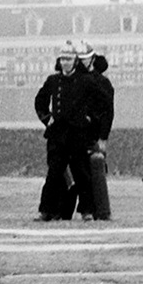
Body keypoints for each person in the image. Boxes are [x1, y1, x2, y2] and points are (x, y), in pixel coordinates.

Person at [34, 40, 91, 222]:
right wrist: (47, 118)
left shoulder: (85, 82)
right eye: (63, 59)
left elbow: (98, 103)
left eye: (69, 59)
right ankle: (46, 210)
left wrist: (88, 119)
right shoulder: (53, 81)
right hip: (58, 133)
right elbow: (40, 101)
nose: (66, 63)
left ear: (75, 61)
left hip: (77, 133)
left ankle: (87, 210)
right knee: (54, 173)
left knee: (81, 172)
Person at [73, 42, 115, 221]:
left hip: (94, 132)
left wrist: (103, 137)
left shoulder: (102, 82)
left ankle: (98, 209)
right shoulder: (72, 80)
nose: (83, 63)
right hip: (75, 132)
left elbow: (108, 111)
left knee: (95, 169)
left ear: (92, 59)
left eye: (85, 59)